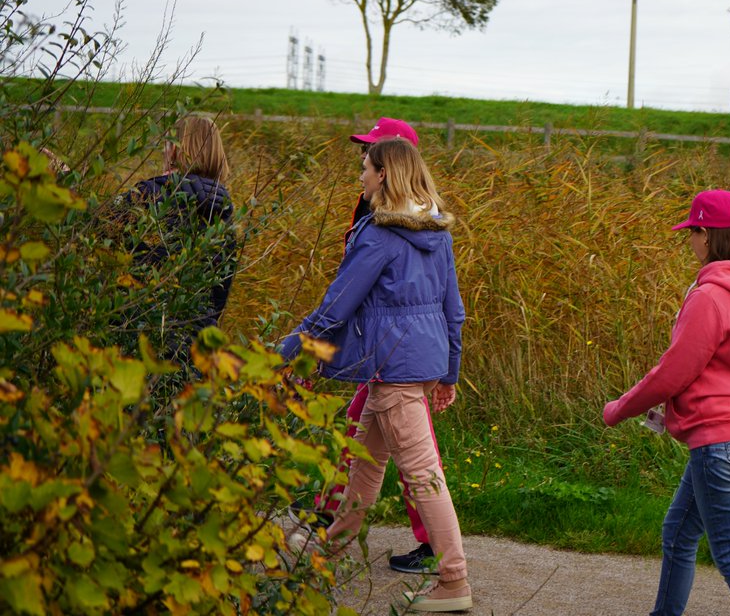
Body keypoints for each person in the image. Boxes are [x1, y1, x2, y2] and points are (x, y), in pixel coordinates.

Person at [281, 138, 471, 613]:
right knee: (363, 463)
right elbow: (454, 312)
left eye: (365, 168)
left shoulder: (378, 235)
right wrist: (448, 373)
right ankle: (327, 552)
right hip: (417, 367)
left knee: (424, 475)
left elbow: (335, 307)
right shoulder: (436, 231)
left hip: (394, 370)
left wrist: (285, 352)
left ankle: (454, 580)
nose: (360, 177)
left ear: (384, 175)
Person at [603, 189, 730, 616]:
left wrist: (620, 408)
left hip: (721, 444)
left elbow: (674, 372)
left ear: (707, 234)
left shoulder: (710, 296)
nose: (689, 241)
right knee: (677, 532)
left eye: (692, 232)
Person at [300, 116, 442, 577]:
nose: (362, 160)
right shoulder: (375, 208)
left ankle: (436, 550)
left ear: (392, 163)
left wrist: (310, 342)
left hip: (396, 357)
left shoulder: (405, 221)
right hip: (386, 351)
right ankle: (332, 518)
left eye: (371, 152)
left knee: (413, 457)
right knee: (366, 437)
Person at [110, 115, 237, 375]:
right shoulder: (225, 215)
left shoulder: (147, 195)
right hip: (199, 356)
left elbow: (93, 226)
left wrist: (65, 179)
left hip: (138, 344)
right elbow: (218, 298)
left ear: (175, 150)